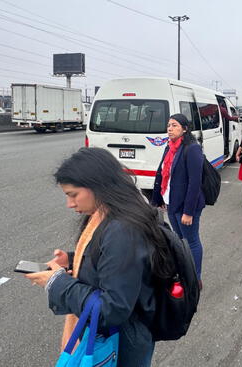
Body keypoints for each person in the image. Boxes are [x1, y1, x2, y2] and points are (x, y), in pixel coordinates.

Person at [25, 147, 169, 366]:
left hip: (122, 344)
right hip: (125, 335)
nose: (70, 204)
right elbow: (115, 263)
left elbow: (112, 309)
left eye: (73, 195)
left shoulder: (122, 229)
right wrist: (74, 260)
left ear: (98, 185)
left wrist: (56, 282)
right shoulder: (113, 214)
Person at [152, 114, 205, 280]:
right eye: (168, 125)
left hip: (186, 206)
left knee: (191, 241)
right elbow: (162, 174)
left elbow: (194, 183)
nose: (170, 128)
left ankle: (195, 278)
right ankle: (184, 271)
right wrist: (159, 199)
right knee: (179, 239)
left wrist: (188, 212)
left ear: (184, 129)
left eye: (174, 125)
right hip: (171, 202)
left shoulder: (192, 148)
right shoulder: (169, 147)